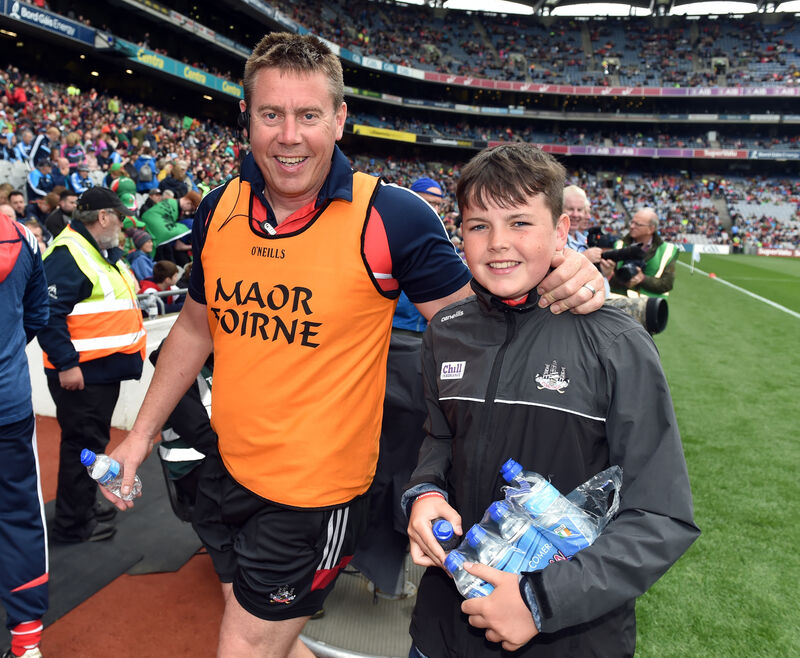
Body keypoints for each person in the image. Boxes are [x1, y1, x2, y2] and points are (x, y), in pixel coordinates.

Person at [103, 32, 604, 657]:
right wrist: (141, 434)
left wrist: (563, 273)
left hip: (315, 498)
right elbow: (196, 328)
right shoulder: (218, 209)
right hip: (225, 472)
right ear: (248, 119)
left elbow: (484, 323)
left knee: (245, 647)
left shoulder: (389, 217)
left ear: (339, 120)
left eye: (309, 115)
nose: (290, 136)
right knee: (268, 636)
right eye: (272, 114)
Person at [403, 143, 699, 657]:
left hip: (569, 639)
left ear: (561, 233)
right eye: (478, 226)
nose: (498, 244)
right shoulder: (446, 332)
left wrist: (541, 601)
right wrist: (425, 493)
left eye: (520, 223)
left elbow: (661, 515)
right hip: (442, 632)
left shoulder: (617, 343)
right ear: (460, 234)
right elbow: (440, 439)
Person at [37, 187, 146, 544]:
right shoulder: (69, 254)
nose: (123, 224)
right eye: (119, 216)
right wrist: (67, 365)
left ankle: (81, 507)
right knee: (81, 446)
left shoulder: (95, 251)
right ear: (103, 217)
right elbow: (47, 315)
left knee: (91, 445)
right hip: (81, 375)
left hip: (96, 373)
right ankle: (73, 525)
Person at [0, 213, 49, 658]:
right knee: (18, 516)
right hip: (8, 406)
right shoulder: (21, 238)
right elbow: (36, 316)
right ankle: (26, 640)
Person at [609, 207, 679, 298]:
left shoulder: (667, 251)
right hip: (618, 304)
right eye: (632, 222)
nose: (632, 226)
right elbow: (607, 277)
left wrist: (642, 279)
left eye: (637, 224)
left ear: (651, 229)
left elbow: (667, 284)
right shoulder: (619, 245)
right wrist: (623, 280)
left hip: (649, 307)